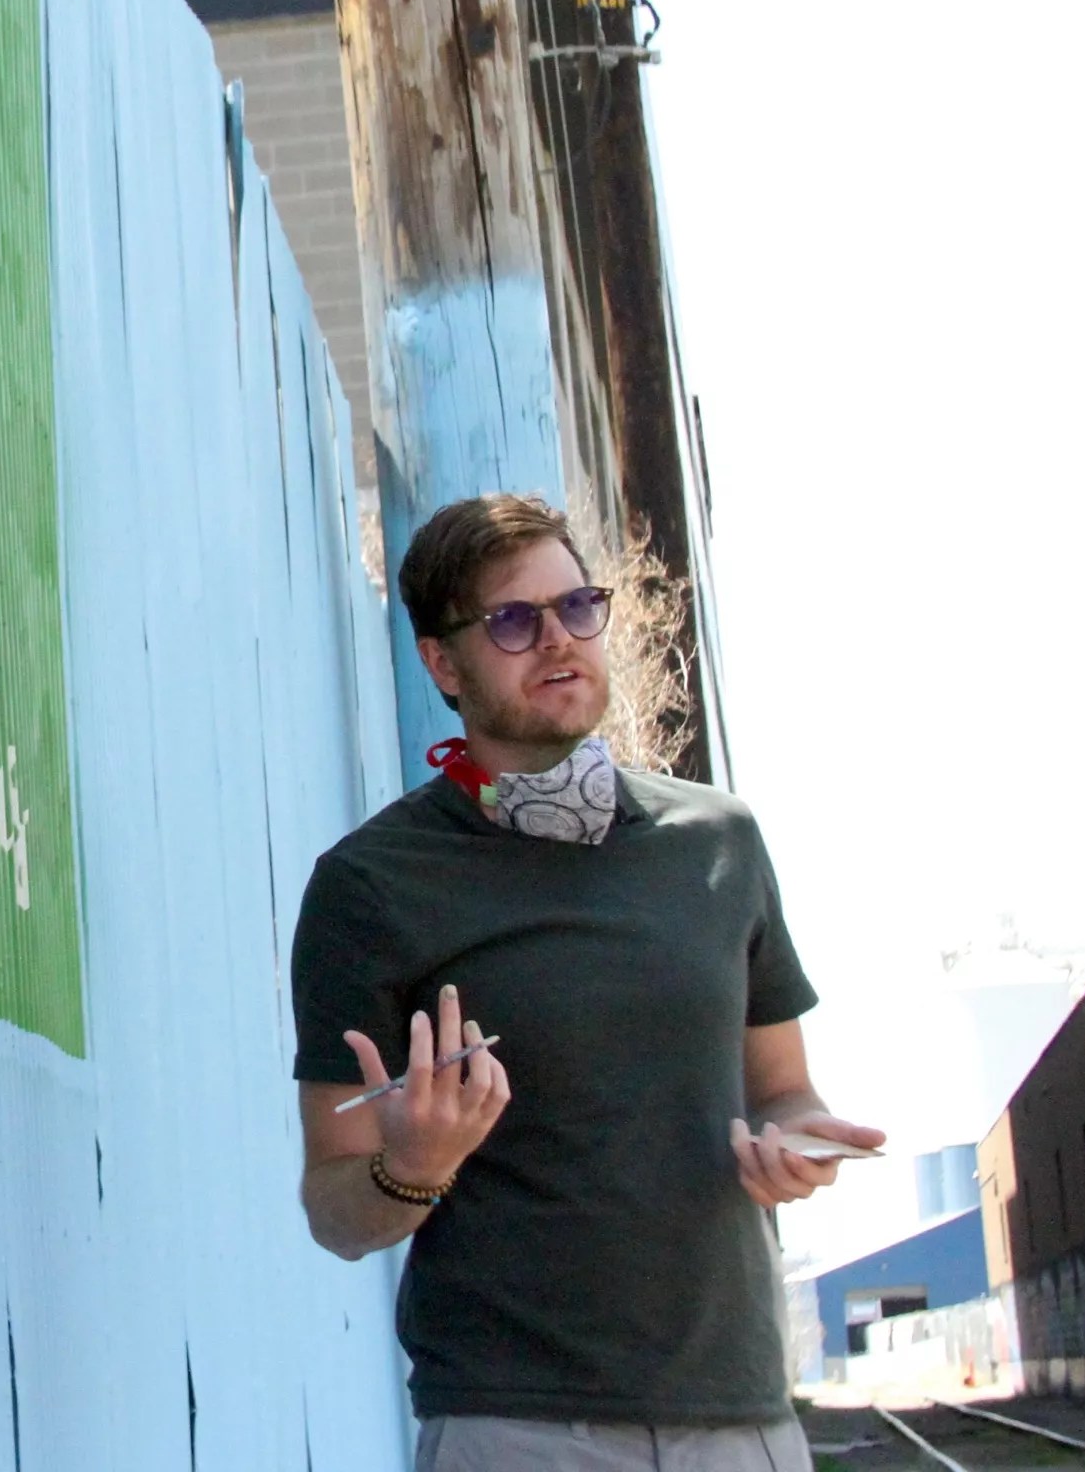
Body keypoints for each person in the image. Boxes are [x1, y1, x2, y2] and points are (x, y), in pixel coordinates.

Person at [288, 493, 882, 1471]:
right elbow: (333, 1206)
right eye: (511, 621)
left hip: (741, 1418)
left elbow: (782, 1087)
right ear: (443, 664)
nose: (557, 639)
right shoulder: (370, 887)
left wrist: (796, 1139)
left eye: (575, 606)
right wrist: (414, 1169)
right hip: (515, 1426)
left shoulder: (720, 842)